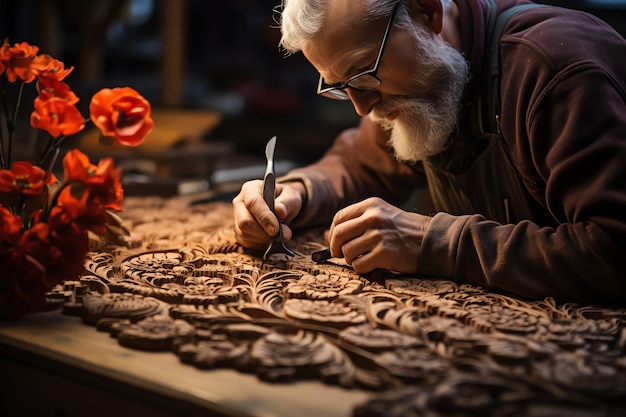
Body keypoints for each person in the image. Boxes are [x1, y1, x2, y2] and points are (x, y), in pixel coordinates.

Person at [232, 0, 626, 304]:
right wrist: (297, 194)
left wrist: (435, 242)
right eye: (340, 85)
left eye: (365, 72)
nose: (361, 108)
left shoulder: (555, 68)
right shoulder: (425, 78)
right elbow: (360, 163)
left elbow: (613, 250)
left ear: (427, 9)